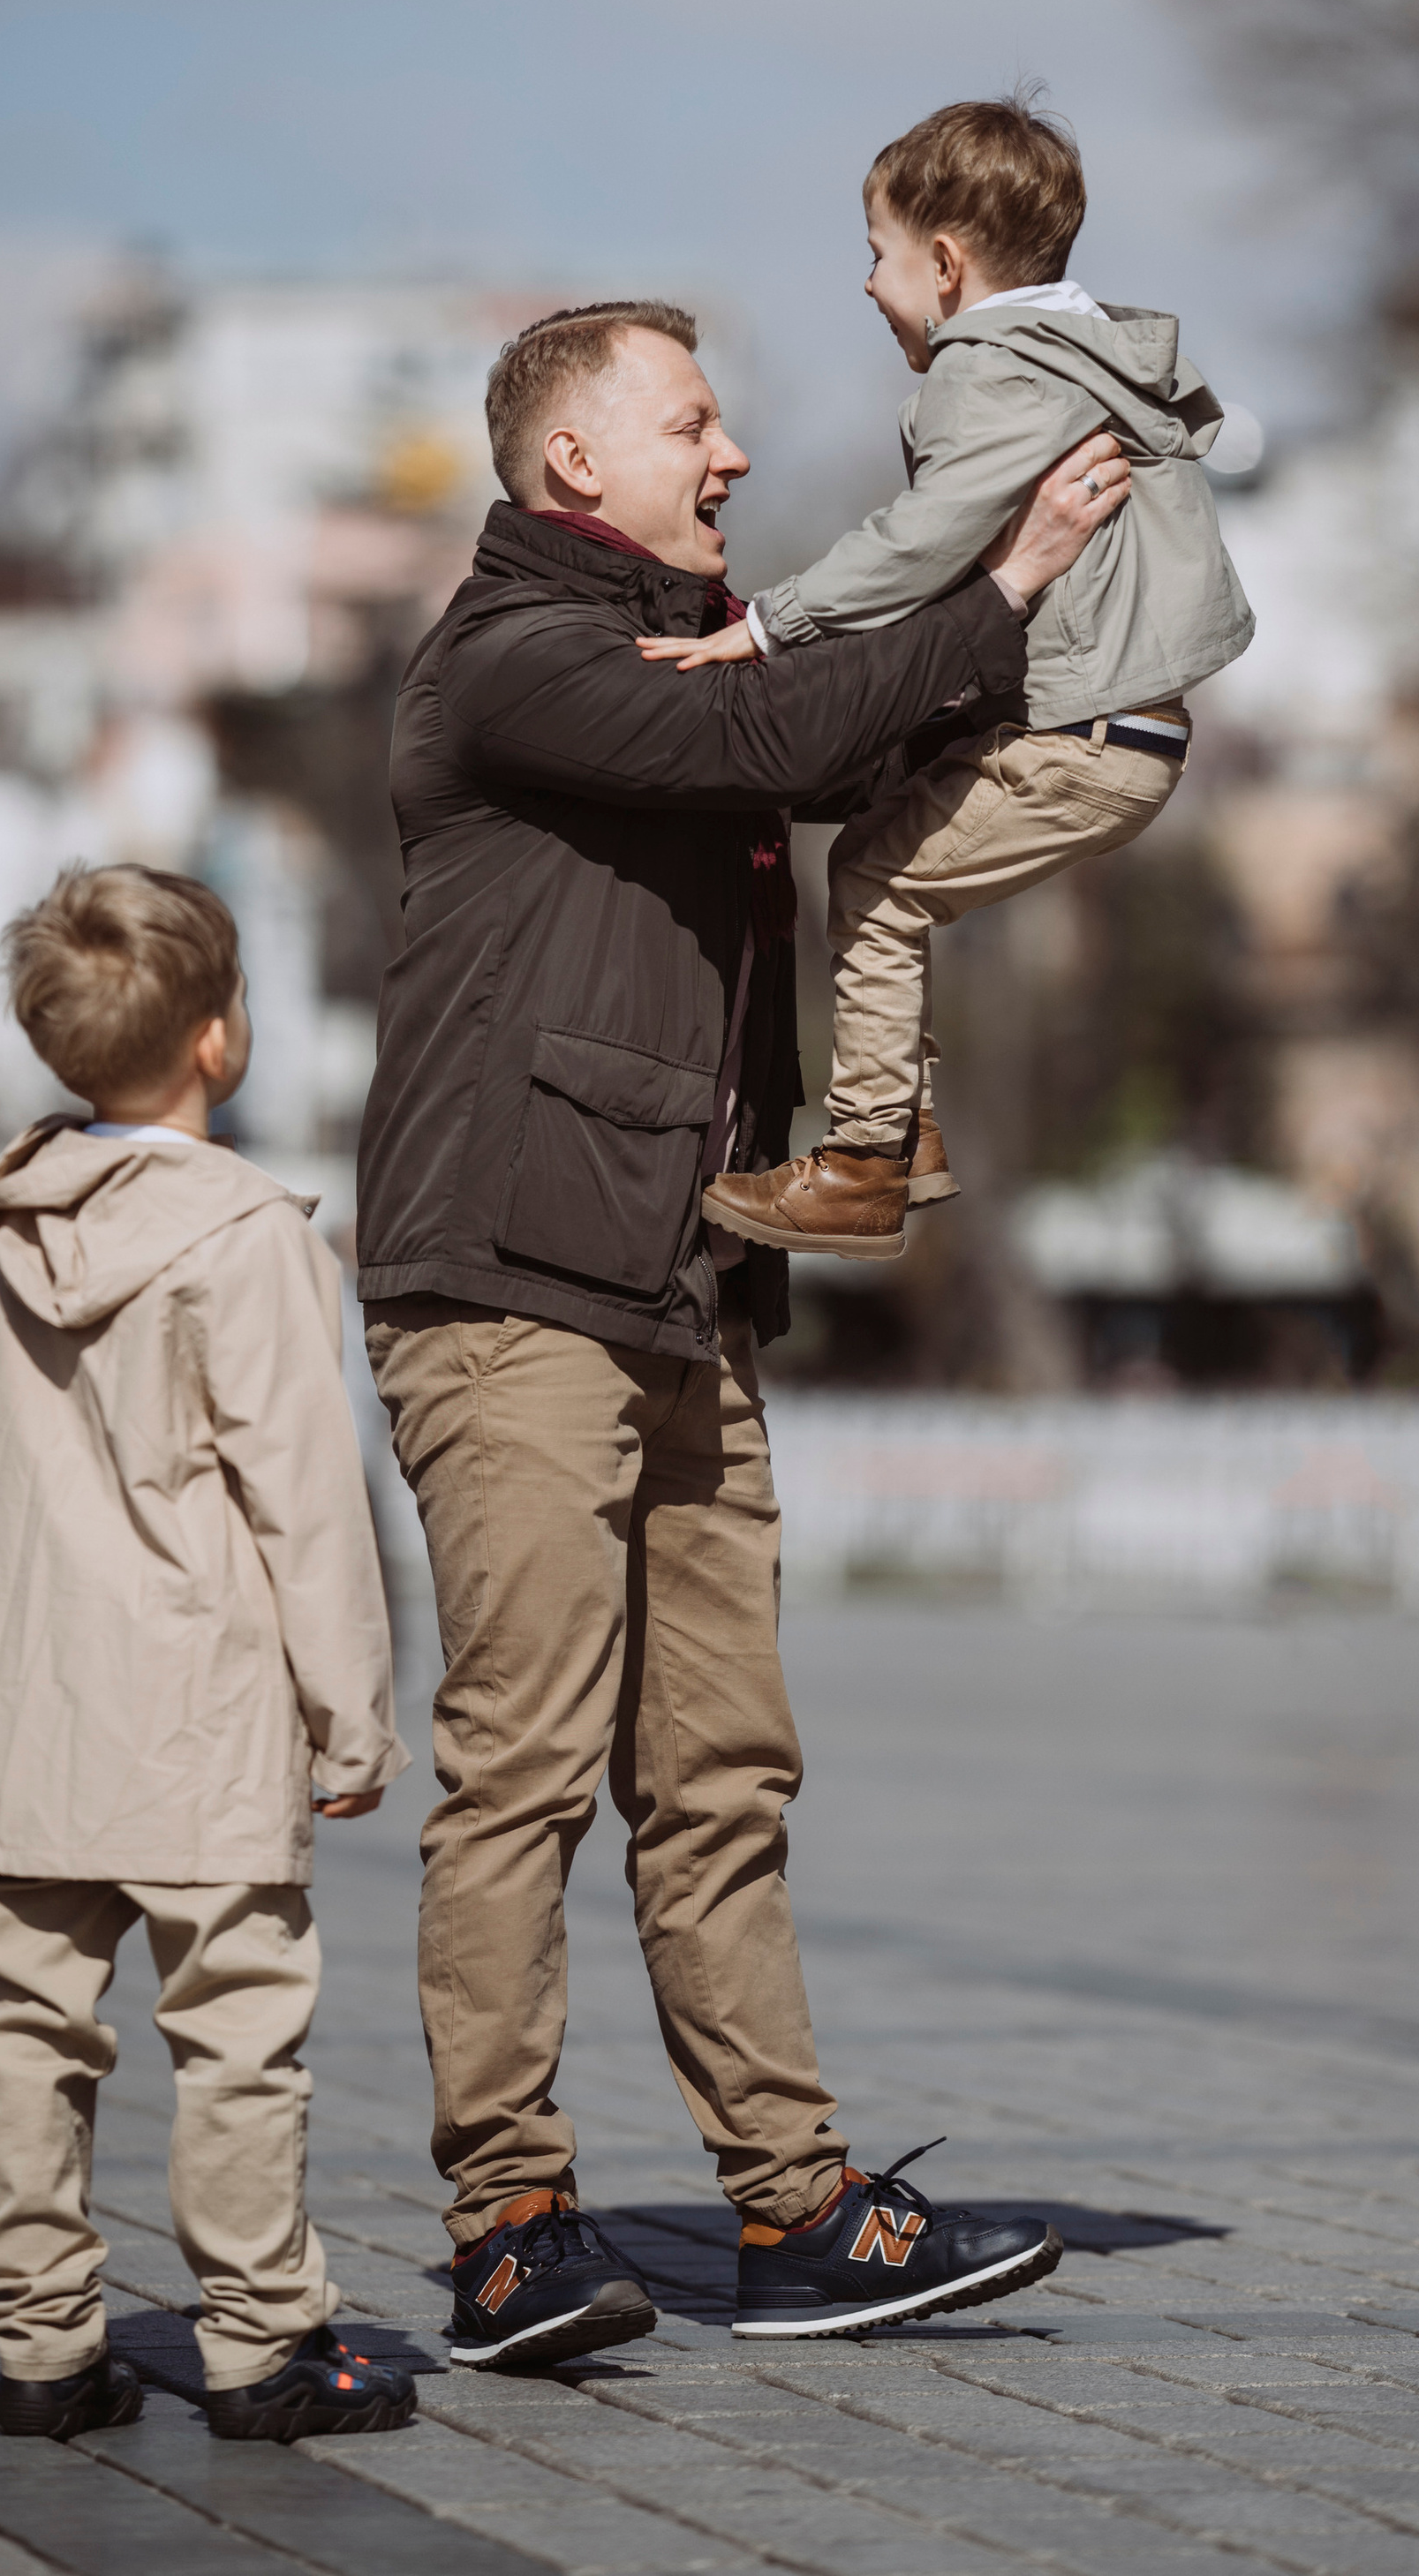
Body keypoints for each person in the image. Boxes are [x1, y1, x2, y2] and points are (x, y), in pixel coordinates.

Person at [354, 300, 1127, 2364]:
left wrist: (1079, 644)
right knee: (518, 1765)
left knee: (718, 1771)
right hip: (511, 1282)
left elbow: (847, 733)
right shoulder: (514, 664)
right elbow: (760, 745)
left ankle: (793, 2209)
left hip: (678, 1284)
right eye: (690, 420)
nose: (728, 452)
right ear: (566, 466)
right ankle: (507, 2215)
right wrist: (1005, 576)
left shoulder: (698, 653)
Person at [0, 862, 415, 2444]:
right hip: (200, 1702)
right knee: (236, 2031)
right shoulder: (250, 1238)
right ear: (218, 1038)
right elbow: (306, 1498)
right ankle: (266, 2340)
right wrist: (350, 1718)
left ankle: (45, 2343)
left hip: (25, 1700)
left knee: (25, 2023)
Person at [651, 95, 1254, 1256]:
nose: (867, 286)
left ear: (944, 260)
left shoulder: (991, 366)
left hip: (1080, 734)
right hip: (1122, 728)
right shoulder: (1077, 356)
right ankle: (902, 1128)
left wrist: (775, 623)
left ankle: (865, 1160)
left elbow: (926, 539)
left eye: (875, 257)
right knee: (887, 838)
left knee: (877, 878)